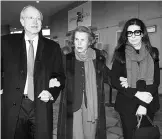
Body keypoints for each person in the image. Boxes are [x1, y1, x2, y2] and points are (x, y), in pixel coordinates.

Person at [1, 5, 65, 139]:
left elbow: (59, 76)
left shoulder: (52, 47)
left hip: (41, 105)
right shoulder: (6, 43)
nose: (35, 22)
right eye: (31, 18)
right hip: (14, 105)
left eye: (39, 19)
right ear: (22, 21)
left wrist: (51, 92)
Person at [57, 26, 110, 139]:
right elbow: (58, 75)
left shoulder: (98, 59)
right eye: (76, 39)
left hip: (92, 105)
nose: (79, 43)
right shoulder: (67, 59)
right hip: (73, 104)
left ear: (90, 42)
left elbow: (110, 77)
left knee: (90, 135)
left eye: (83, 40)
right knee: (76, 136)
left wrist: (126, 82)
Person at [111, 18, 160, 139]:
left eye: (136, 32)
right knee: (130, 136)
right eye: (129, 33)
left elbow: (155, 80)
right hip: (127, 103)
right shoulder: (120, 53)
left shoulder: (153, 52)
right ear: (126, 35)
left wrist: (143, 105)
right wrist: (136, 93)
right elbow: (114, 80)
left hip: (148, 102)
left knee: (145, 135)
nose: (133, 36)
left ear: (142, 33)